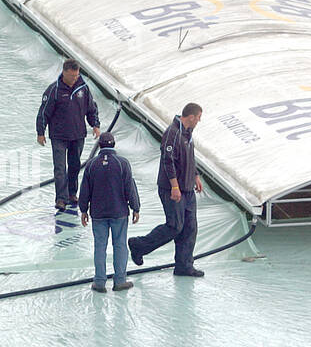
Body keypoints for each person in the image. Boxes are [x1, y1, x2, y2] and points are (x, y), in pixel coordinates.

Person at [129, 103, 206, 278]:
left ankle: (184, 265)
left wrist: (195, 175)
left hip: (187, 189)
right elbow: (168, 161)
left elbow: (190, 157)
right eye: (198, 118)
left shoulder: (188, 133)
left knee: (189, 227)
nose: (199, 122)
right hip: (173, 189)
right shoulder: (172, 134)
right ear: (191, 117)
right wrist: (175, 186)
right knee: (174, 226)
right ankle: (139, 245)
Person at [79, 131, 140, 293]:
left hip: (98, 213)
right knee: (119, 245)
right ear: (114, 145)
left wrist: (83, 210)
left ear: (99, 146)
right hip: (119, 211)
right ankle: (119, 281)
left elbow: (84, 190)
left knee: (100, 246)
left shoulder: (91, 165)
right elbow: (130, 188)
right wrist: (136, 207)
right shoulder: (123, 163)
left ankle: (99, 282)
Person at [36, 58, 100, 211]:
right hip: (58, 136)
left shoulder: (83, 89)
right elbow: (44, 112)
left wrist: (95, 125)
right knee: (60, 168)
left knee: (74, 166)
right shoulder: (54, 90)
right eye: (72, 76)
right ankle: (61, 199)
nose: (74, 79)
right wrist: (40, 132)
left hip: (78, 135)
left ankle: (72, 193)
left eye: (77, 76)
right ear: (64, 73)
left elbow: (91, 108)